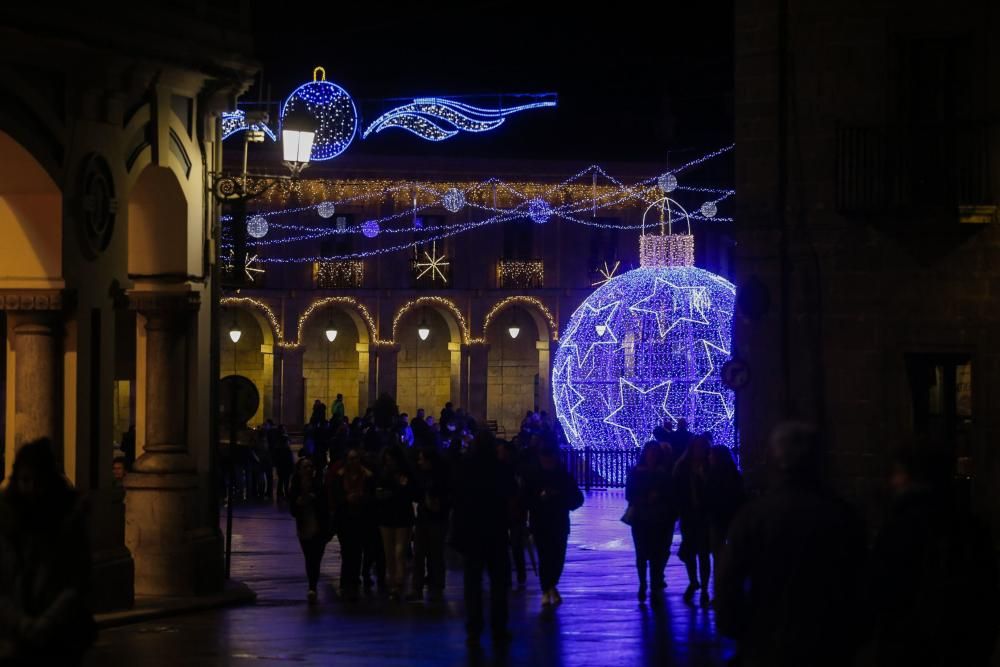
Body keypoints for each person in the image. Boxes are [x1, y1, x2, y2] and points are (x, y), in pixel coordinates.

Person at [715, 422, 867, 667]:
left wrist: (739, 627)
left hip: (768, 637)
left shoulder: (755, 516)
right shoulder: (841, 514)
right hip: (828, 639)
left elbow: (728, 579)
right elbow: (860, 578)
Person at [868, 447, 999, 667]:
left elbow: (882, 589)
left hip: (910, 647)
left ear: (913, 477)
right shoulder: (972, 527)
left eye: (898, 473)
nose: (893, 481)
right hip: (962, 646)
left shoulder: (901, 526)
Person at [0, 438, 96, 665]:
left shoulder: (68, 521)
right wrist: (20, 622)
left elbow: (77, 580)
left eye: (38, 481)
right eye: (25, 480)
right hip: (16, 635)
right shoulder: (7, 522)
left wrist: (46, 622)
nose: (31, 488)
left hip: (59, 637)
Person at [453, 430, 516, 647]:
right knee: (498, 582)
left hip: (472, 531)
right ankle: (499, 626)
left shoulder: (465, 468)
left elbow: (457, 500)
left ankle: (474, 627)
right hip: (495, 530)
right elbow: (511, 497)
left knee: (472, 582)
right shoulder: (500, 468)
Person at [527, 443, 584, 607]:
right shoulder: (535, 477)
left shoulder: (563, 476)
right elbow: (527, 498)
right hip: (542, 522)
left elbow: (577, 498)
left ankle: (550, 586)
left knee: (557, 557)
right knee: (545, 557)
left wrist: (559, 498)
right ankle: (547, 588)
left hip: (558, 522)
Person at [626, 442, 673, 605]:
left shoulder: (663, 474)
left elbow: (670, 494)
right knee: (641, 553)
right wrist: (645, 498)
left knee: (656, 554)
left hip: (658, 518)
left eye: (655, 453)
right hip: (641, 518)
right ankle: (643, 583)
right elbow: (629, 494)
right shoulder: (636, 473)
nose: (652, 455)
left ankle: (653, 583)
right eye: (650, 452)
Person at [328, 448, 374, 602]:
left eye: (356, 458)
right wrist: (346, 499)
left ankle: (352, 580)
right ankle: (347, 579)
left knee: (357, 550)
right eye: (351, 459)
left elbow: (371, 494)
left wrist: (361, 498)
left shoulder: (366, 476)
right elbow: (335, 495)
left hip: (361, 517)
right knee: (347, 549)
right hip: (345, 517)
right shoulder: (340, 476)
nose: (353, 462)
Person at [673, 435, 712, 606]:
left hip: (704, 516)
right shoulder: (683, 467)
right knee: (690, 551)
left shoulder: (709, 467)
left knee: (703, 553)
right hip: (689, 515)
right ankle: (694, 581)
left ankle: (703, 587)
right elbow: (677, 489)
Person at [409, 447, 450, 601]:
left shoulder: (437, 478)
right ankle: (427, 586)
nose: (419, 462)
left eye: (422, 459)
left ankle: (428, 586)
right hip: (427, 517)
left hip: (434, 518)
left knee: (433, 554)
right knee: (424, 553)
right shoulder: (425, 476)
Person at [288, 457, 330, 603]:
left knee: (316, 557)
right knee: (309, 557)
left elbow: (325, 506)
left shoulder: (319, 486)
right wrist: (298, 503)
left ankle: (313, 585)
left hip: (319, 526)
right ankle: (312, 585)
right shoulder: (296, 488)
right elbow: (293, 510)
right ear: (299, 470)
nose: (309, 469)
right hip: (304, 526)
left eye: (310, 466)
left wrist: (314, 499)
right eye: (305, 467)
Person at [374, 446, 414, 601]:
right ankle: (394, 582)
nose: (389, 462)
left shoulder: (404, 473)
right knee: (390, 552)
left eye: (391, 459)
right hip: (388, 514)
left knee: (399, 551)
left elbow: (410, 491)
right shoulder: (383, 473)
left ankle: (397, 581)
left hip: (400, 514)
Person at [705, 445, 744, 601]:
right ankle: (734, 589)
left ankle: (720, 590)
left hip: (717, 519)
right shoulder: (735, 475)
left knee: (718, 556)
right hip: (733, 518)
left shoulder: (712, 475)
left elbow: (708, 497)